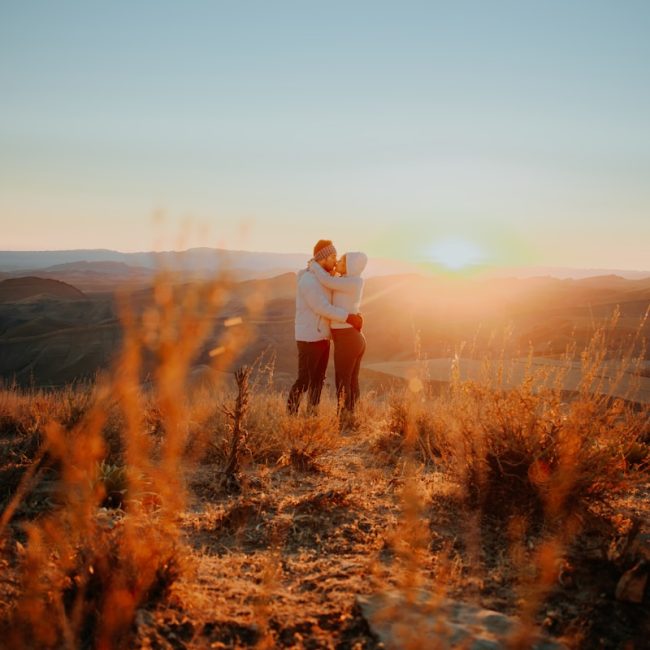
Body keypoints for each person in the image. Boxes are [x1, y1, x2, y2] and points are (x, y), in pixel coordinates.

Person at [287, 240, 363, 415]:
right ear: (323, 258)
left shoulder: (326, 278)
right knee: (304, 380)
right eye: (333, 257)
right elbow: (321, 307)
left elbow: (342, 296)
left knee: (318, 380)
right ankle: (291, 415)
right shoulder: (308, 280)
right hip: (308, 338)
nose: (336, 261)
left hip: (322, 337)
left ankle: (311, 414)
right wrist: (348, 318)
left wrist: (356, 312)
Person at [308, 251, 367, 427]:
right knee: (350, 380)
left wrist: (314, 266)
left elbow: (328, 281)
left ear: (351, 266)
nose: (338, 262)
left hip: (348, 338)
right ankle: (350, 417)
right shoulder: (348, 281)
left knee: (342, 381)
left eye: (342, 260)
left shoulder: (353, 282)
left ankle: (344, 420)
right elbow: (333, 280)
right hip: (352, 338)